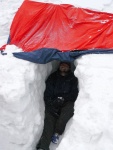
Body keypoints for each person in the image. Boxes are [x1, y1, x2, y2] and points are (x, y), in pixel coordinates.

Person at [36, 61, 78, 150]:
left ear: (69, 68)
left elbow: (74, 94)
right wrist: (53, 102)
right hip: (53, 103)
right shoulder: (52, 77)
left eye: (66, 66)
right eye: (62, 66)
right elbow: (47, 93)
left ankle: (57, 132)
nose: (63, 67)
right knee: (49, 122)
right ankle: (43, 146)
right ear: (59, 67)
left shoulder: (73, 79)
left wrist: (63, 99)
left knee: (67, 112)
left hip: (66, 103)